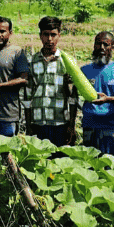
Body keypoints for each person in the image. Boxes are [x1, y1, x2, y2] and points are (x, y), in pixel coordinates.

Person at [80, 31, 114, 158]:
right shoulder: (84, 71)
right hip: (90, 126)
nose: (102, 48)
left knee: (113, 167)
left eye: (106, 44)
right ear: (94, 46)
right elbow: (72, 96)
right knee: (90, 168)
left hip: (113, 127)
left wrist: (108, 99)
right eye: (99, 44)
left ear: (112, 47)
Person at [26, 16, 77, 147]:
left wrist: (71, 125)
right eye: (46, 35)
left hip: (60, 123)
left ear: (59, 35)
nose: (49, 39)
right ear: (40, 35)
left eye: (53, 35)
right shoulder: (32, 61)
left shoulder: (68, 62)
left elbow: (73, 97)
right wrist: (28, 125)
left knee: (59, 162)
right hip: (38, 123)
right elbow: (27, 96)